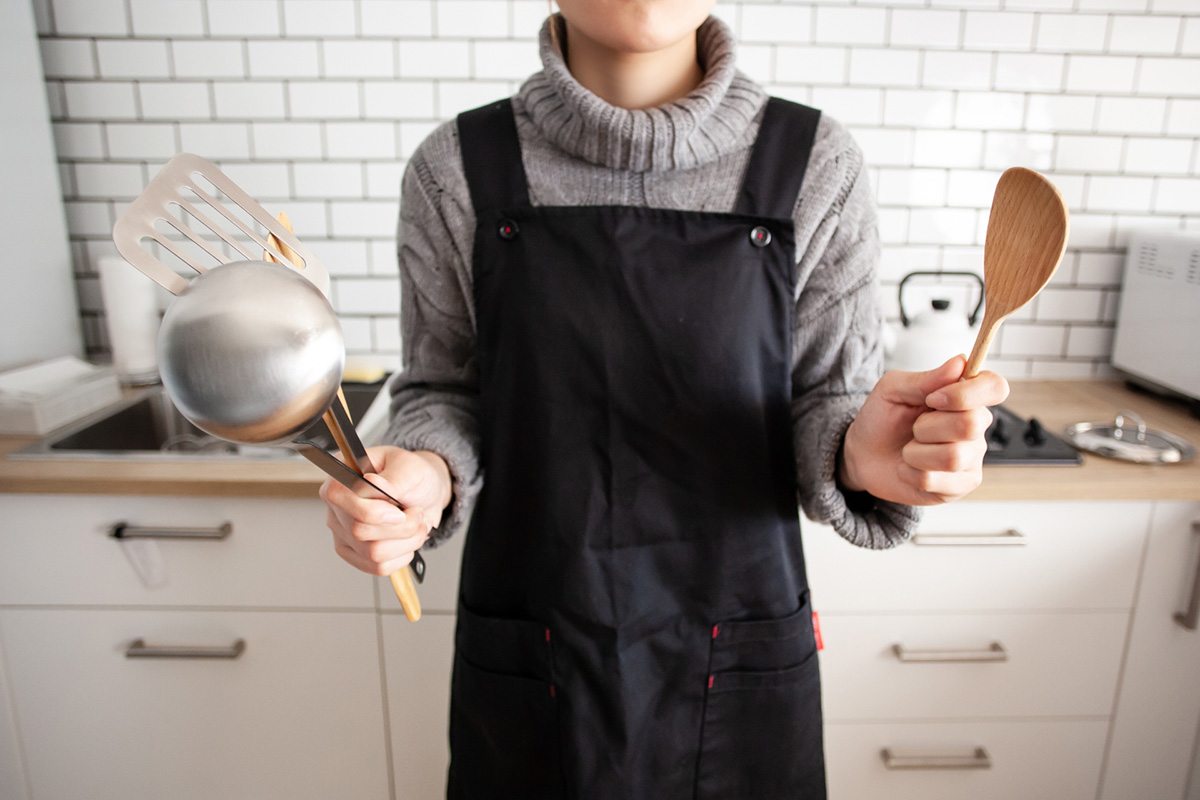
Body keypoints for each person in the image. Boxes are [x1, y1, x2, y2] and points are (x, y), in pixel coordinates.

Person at [319, 2, 1009, 797]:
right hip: (538, 657)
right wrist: (423, 477)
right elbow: (444, 390)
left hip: (736, 662)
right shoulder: (457, 168)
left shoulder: (816, 164)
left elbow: (827, 399)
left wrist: (860, 451)